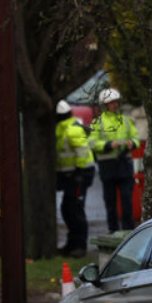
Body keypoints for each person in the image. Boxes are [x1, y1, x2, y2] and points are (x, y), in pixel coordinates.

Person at [89, 88, 139, 232]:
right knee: (110, 203)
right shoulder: (98, 122)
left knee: (127, 201)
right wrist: (108, 145)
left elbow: (135, 137)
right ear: (104, 105)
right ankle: (113, 231)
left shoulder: (126, 120)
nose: (115, 105)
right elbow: (92, 143)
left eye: (116, 102)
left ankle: (128, 232)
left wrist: (132, 143)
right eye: (111, 103)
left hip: (124, 165)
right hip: (108, 168)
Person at [55, 99, 94, 256]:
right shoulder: (62, 129)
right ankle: (71, 244)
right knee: (67, 209)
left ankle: (80, 246)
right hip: (72, 175)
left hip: (80, 175)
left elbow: (82, 154)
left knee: (76, 210)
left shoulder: (72, 129)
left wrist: (79, 173)